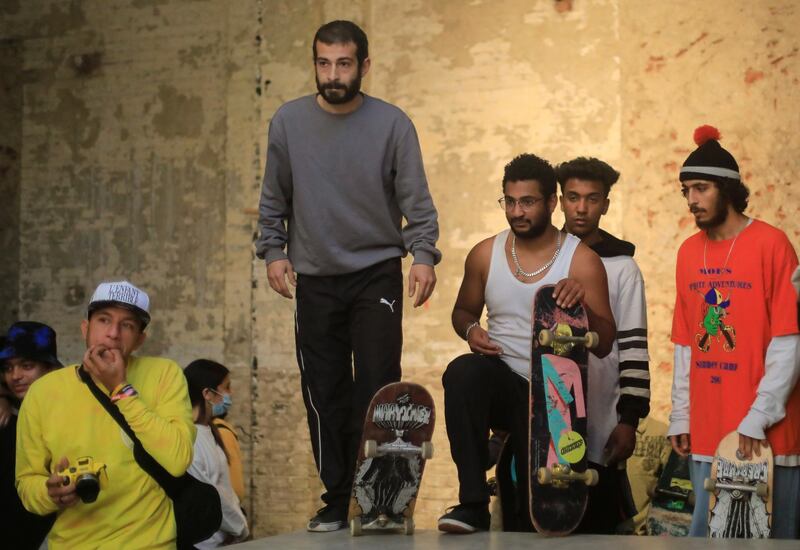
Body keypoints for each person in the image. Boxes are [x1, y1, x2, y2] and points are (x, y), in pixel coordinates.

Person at [255, 19, 441, 532]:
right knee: (325, 390)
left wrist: (422, 254)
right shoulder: (288, 122)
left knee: (377, 388)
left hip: (376, 273)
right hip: (313, 278)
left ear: (364, 65)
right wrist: (273, 250)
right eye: (323, 63)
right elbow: (274, 197)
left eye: (343, 63)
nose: (332, 74)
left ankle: (380, 498)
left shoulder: (393, 124)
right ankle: (338, 497)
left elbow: (416, 203)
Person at [438, 153, 616, 533]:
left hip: (555, 396)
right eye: (510, 201)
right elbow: (462, 311)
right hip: (503, 378)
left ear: (551, 203)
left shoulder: (581, 261)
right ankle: (471, 504)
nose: (517, 212)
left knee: (530, 513)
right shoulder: (485, 254)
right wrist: (471, 331)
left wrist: (582, 303)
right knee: (462, 372)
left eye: (528, 202)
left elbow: (604, 343)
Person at [668, 126, 800, 539]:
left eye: (701, 188)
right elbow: (686, 343)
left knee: (771, 540)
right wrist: (680, 414)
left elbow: (789, 340)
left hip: (766, 439)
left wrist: (759, 416)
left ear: (726, 188)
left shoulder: (773, 245)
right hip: (707, 432)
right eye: (686, 190)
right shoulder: (688, 252)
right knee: (706, 540)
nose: (691, 200)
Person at [15, 281, 196, 548]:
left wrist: (120, 389)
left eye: (127, 325)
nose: (113, 333)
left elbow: (178, 459)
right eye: (103, 320)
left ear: (140, 339)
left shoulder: (164, 375)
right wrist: (49, 493)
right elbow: (27, 482)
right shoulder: (43, 392)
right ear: (85, 328)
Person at [557, 157, 650, 533]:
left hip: (601, 416)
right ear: (559, 200)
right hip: (545, 418)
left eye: (592, 199)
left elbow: (633, 345)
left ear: (606, 205)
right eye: (573, 197)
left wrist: (629, 420)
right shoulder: (542, 256)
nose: (581, 208)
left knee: (600, 525)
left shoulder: (623, 267)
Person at [1, 323, 61, 549]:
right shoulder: (8, 420)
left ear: (51, 369)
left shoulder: (73, 410)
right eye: (8, 368)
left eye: (26, 366)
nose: (15, 376)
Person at [184, 360, 248, 547]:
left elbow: (225, 488)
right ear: (208, 394)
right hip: (207, 542)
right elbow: (210, 496)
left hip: (225, 538)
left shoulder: (210, 431)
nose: (230, 394)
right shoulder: (191, 439)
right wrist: (239, 528)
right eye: (226, 388)